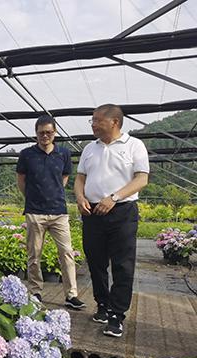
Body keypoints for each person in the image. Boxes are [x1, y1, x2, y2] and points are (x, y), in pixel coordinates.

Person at [74, 104, 149, 338]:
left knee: (122, 264)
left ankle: (117, 314)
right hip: (92, 212)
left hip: (122, 211)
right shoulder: (90, 148)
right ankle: (102, 305)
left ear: (114, 122)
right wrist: (80, 197)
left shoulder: (134, 145)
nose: (93, 124)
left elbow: (141, 179)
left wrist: (114, 198)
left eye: (97, 120)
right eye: (92, 120)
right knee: (95, 262)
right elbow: (80, 178)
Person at [16, 115, 85, 309]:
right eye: (41, 133)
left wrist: (53, 193)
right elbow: (21, 180)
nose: (45, 136)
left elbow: (64, 177)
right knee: (34, 254)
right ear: (36, 134)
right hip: (35, 212)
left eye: (48, 132)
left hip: (58, 211)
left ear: (55, 133)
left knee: (67, 252)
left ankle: (71, 294)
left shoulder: (63, 153)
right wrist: (32, 197)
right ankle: (35, 291)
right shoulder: (27, 154)